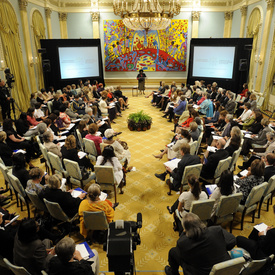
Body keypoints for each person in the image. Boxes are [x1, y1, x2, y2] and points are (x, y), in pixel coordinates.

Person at [165, 212, 236, 275]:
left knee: (173, 252)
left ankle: (173, 272)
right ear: (200, 222)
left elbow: (184, 258)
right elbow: (232, 241)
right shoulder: (216, 230)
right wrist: (221, 246)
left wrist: (184, 233)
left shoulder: (183, 242)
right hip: (224, 268)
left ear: (185, 229)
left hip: (200, 272)